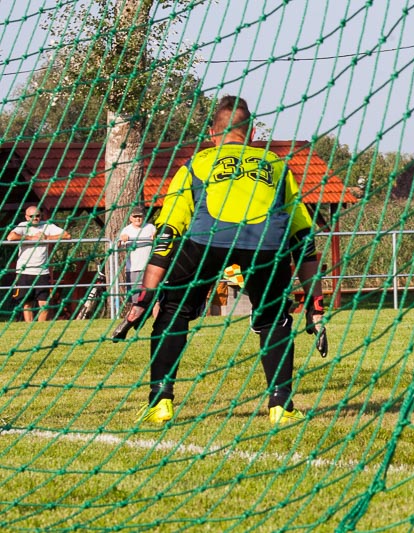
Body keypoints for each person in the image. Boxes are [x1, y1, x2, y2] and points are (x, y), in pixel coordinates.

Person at [112, 95, 327, 426]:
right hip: (264, 246)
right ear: (251, 133)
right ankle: (280, 406)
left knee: (173, 310)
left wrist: (144, 296)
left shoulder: (197, 163)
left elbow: (167, 233)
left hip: (207, 241)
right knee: (274, 318)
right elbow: (303, 238)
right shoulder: (276, 164)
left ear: (212, 133)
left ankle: (161, 402)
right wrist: (316, 303)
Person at [7, 206, 71, 322]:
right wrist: (31, 238)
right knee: (27, 304)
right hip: (24, 272)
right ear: (26, 217)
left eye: (37, 216)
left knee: (44, 304)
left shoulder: (47, 226)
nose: (35, 218)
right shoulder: (22, 226)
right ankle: (29, 327)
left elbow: (67, 235)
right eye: (32, 216)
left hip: (42, 272)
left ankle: (40, 328)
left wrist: (47, 237)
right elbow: (11, 237)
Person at [118, 205, 156, 303]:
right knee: (134, 300)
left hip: (149, 269)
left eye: (140, 216)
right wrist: (121, 239)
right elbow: (117, 246)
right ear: (130, 218)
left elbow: (160, 240)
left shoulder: (151, 227)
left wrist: (156, 236)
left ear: (144, 217)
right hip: (133, 269)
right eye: (135, 216)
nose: (137, 219)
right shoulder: (126, 230)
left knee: (154, 299)